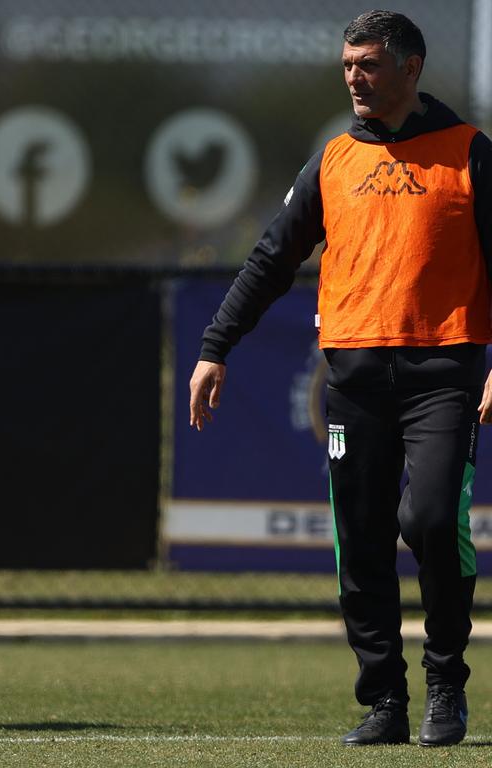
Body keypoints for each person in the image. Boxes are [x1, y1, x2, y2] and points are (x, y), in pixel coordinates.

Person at [189, 10, 492, 748]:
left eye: (370, 64)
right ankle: (384, 700)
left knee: (427, 521)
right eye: (348, 64)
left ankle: (445, 685)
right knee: (359, 541)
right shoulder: (333, 161)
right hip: (353, 381)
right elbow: (270, 258)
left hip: (443, 373)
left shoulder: (468, 152)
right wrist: (215, 345)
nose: (355, 77)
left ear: (410, 69)